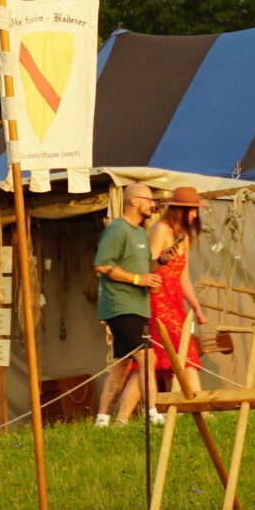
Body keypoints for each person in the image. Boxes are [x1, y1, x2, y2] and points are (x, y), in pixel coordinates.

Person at [95, 183, 161, 426]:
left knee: (123, 364)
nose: (153, 204)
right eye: (149, 199)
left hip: (138, 305)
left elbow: (143, 270)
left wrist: (160, 264)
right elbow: (102, 265)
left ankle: (103, 419)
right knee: (148, 358)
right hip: (120, 305)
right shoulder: (117, 229)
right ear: (134, 201)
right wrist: (137, 279)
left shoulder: (140, 232)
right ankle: (152, 414)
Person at [147, 186, 205, 413]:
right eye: (191, 210)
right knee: (182, 355)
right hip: (158, 301)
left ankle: (189, 406)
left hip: (175, 303)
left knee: (184, 354)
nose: (195, 215)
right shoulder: (160, 230)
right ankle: (196, 407)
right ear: (178, 209)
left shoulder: (185, 237)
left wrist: (197, 308)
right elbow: (148, 266)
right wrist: (163, 258)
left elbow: (184, 279)